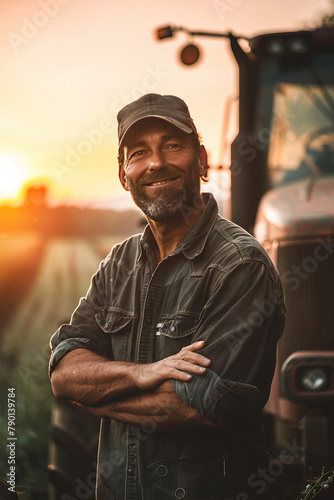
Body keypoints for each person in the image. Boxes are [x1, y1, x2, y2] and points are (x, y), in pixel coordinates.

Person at [49, 93, 286, 500]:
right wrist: (141, 372)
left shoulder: (239, 265)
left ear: (203, 160)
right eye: (138, 152)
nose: (156, 162)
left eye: (172, 145)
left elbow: (201, 408)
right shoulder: (119, 264)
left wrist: (95, 397)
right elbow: (63, 373)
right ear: (124, 175)